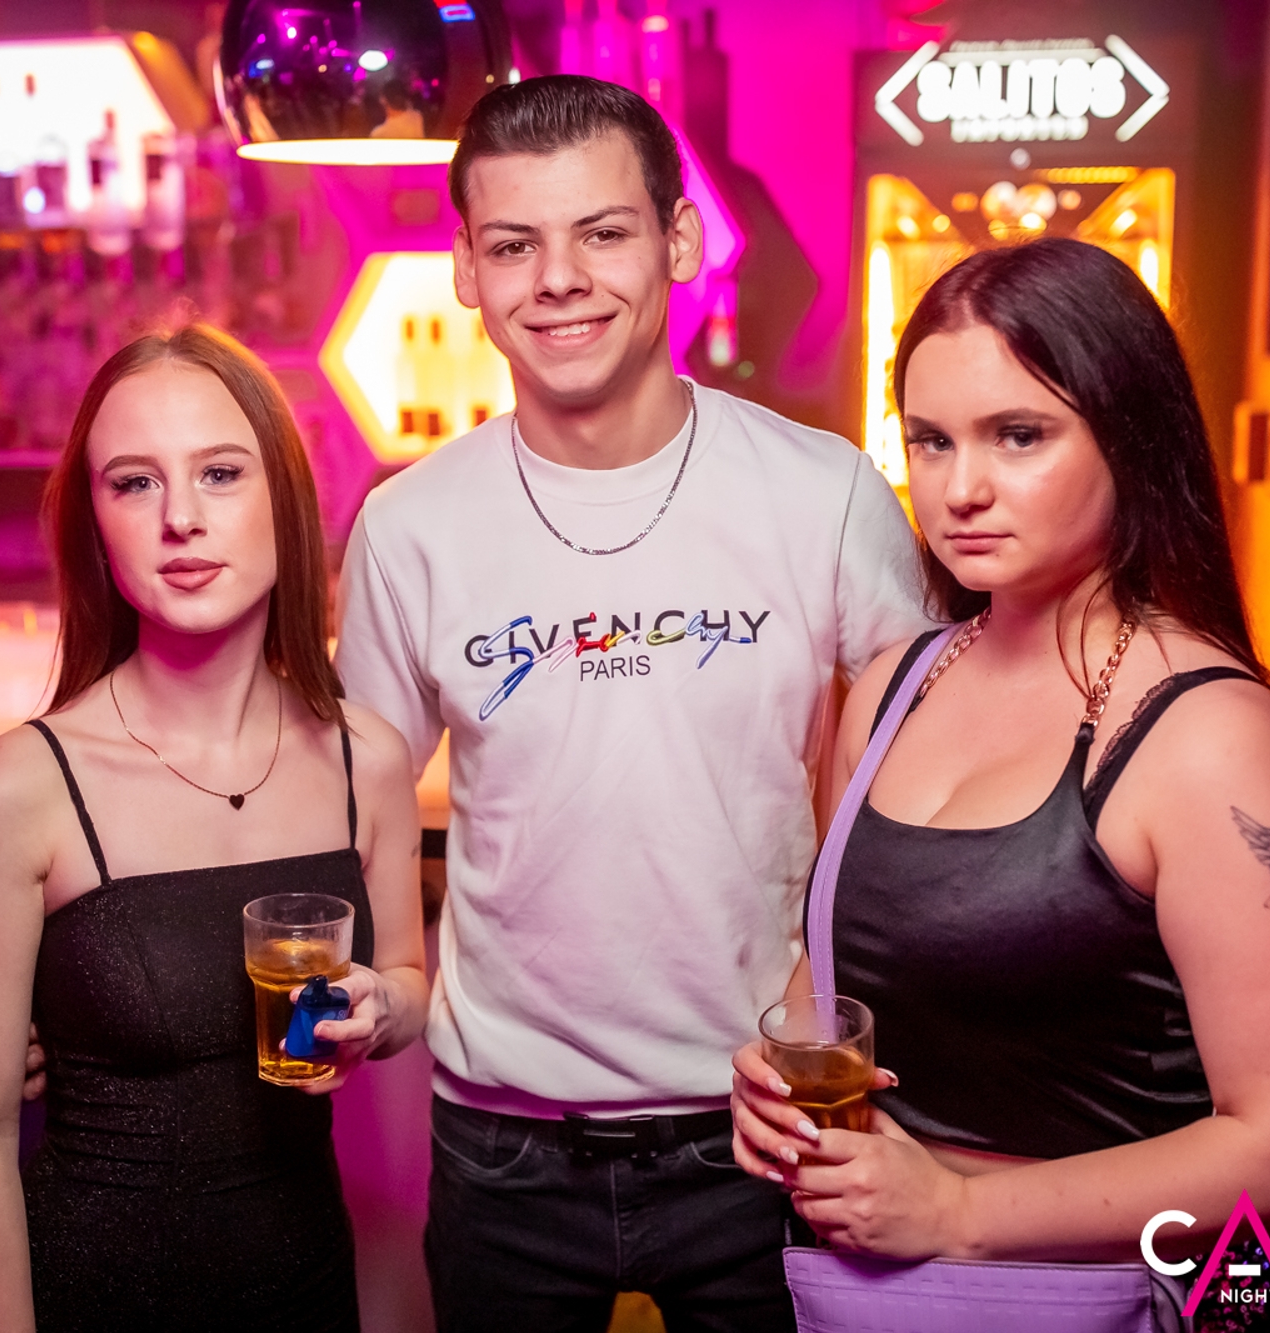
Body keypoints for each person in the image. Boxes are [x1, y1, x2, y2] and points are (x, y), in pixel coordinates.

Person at [334, 75, 933, 1331]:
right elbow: (359, 786)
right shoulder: (407, 526)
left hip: (764, 1120)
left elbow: (920, 794)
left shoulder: (822, 494)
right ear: (465, 269)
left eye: (602, 233)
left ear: (678, 240)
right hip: (502, 1142)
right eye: (513, 244)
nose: (558, 279)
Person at [729, 239, 1270, 1323]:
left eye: (1018, 436)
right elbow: (843, 965)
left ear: (1127, 435)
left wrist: (959, 1212)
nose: (960, 489)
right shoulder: (893, 686)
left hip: (1117, 1298)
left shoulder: (1208, 735)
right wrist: (783, 1070)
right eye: (930, 441)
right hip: (880, 1294)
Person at [0, 324, 426, 1333]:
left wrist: (382, 1007)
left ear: (285, 500)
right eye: (135, 483)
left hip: (308, 1290)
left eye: (220, 473)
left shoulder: (366, 759)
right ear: (96, 527)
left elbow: (409, 984)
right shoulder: (19, 790)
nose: (182, 519)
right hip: (100, 1297)